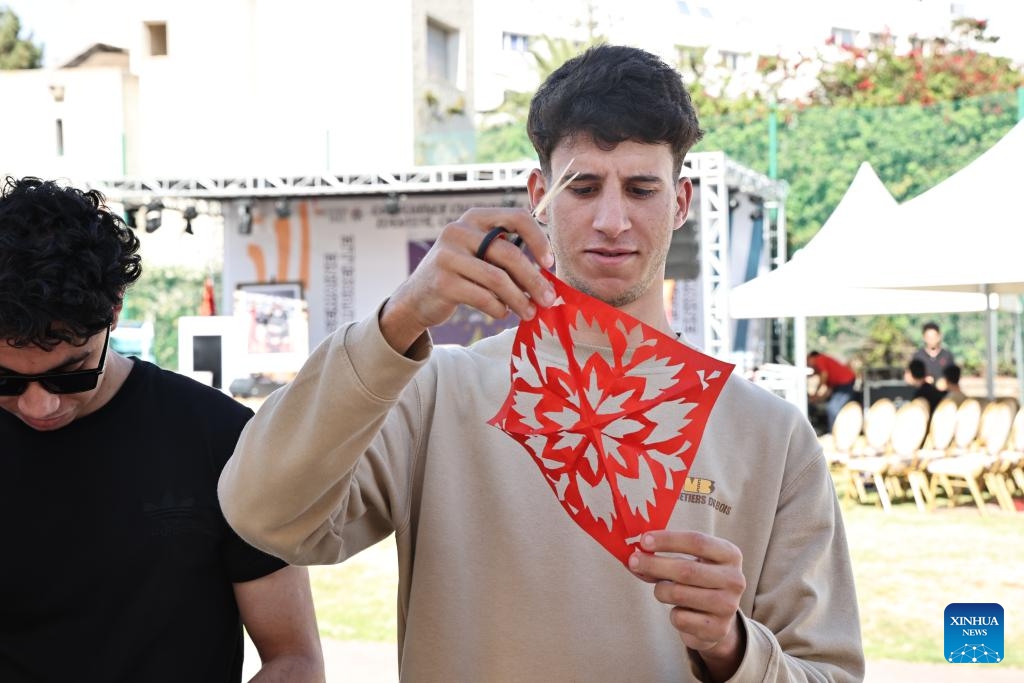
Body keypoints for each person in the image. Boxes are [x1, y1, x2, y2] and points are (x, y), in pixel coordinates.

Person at [219, 45, 864, 681]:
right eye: (583, 187)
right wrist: (400, 319)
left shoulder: (771, 436)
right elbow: (263, 512)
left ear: (682, 202)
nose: (613, 220)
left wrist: (734, 650)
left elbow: (829, 672)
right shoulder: (438, 392)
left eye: (642, 189)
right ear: (539, 194)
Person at [0, 177, 325, 682]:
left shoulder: (218, 437)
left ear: (114, 311)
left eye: (72, 372)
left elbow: (294, 661)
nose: (39, 404)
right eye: (6, 380)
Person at [807, 350, 858, 433]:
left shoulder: (819, 359)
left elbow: (824, 375)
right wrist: (817, 399)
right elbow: (829, 390)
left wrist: (816, 392)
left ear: (812, 357)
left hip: (846, 382)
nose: (808, 363)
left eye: (807, 360)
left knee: (833, 408)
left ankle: (834, 433)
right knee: (833, 408)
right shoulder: (828, 367)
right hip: (844, 383)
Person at [910, 321, 955, 390]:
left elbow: (954, 379)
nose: (931, 340)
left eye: (933, 337)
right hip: (922, 394)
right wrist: (923, 381)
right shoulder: (917, 356)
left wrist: (945, 383)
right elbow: (909, 377)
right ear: (924, 338)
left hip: (943, 396)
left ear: (939, 337)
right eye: (928, 337)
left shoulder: (947, 356)